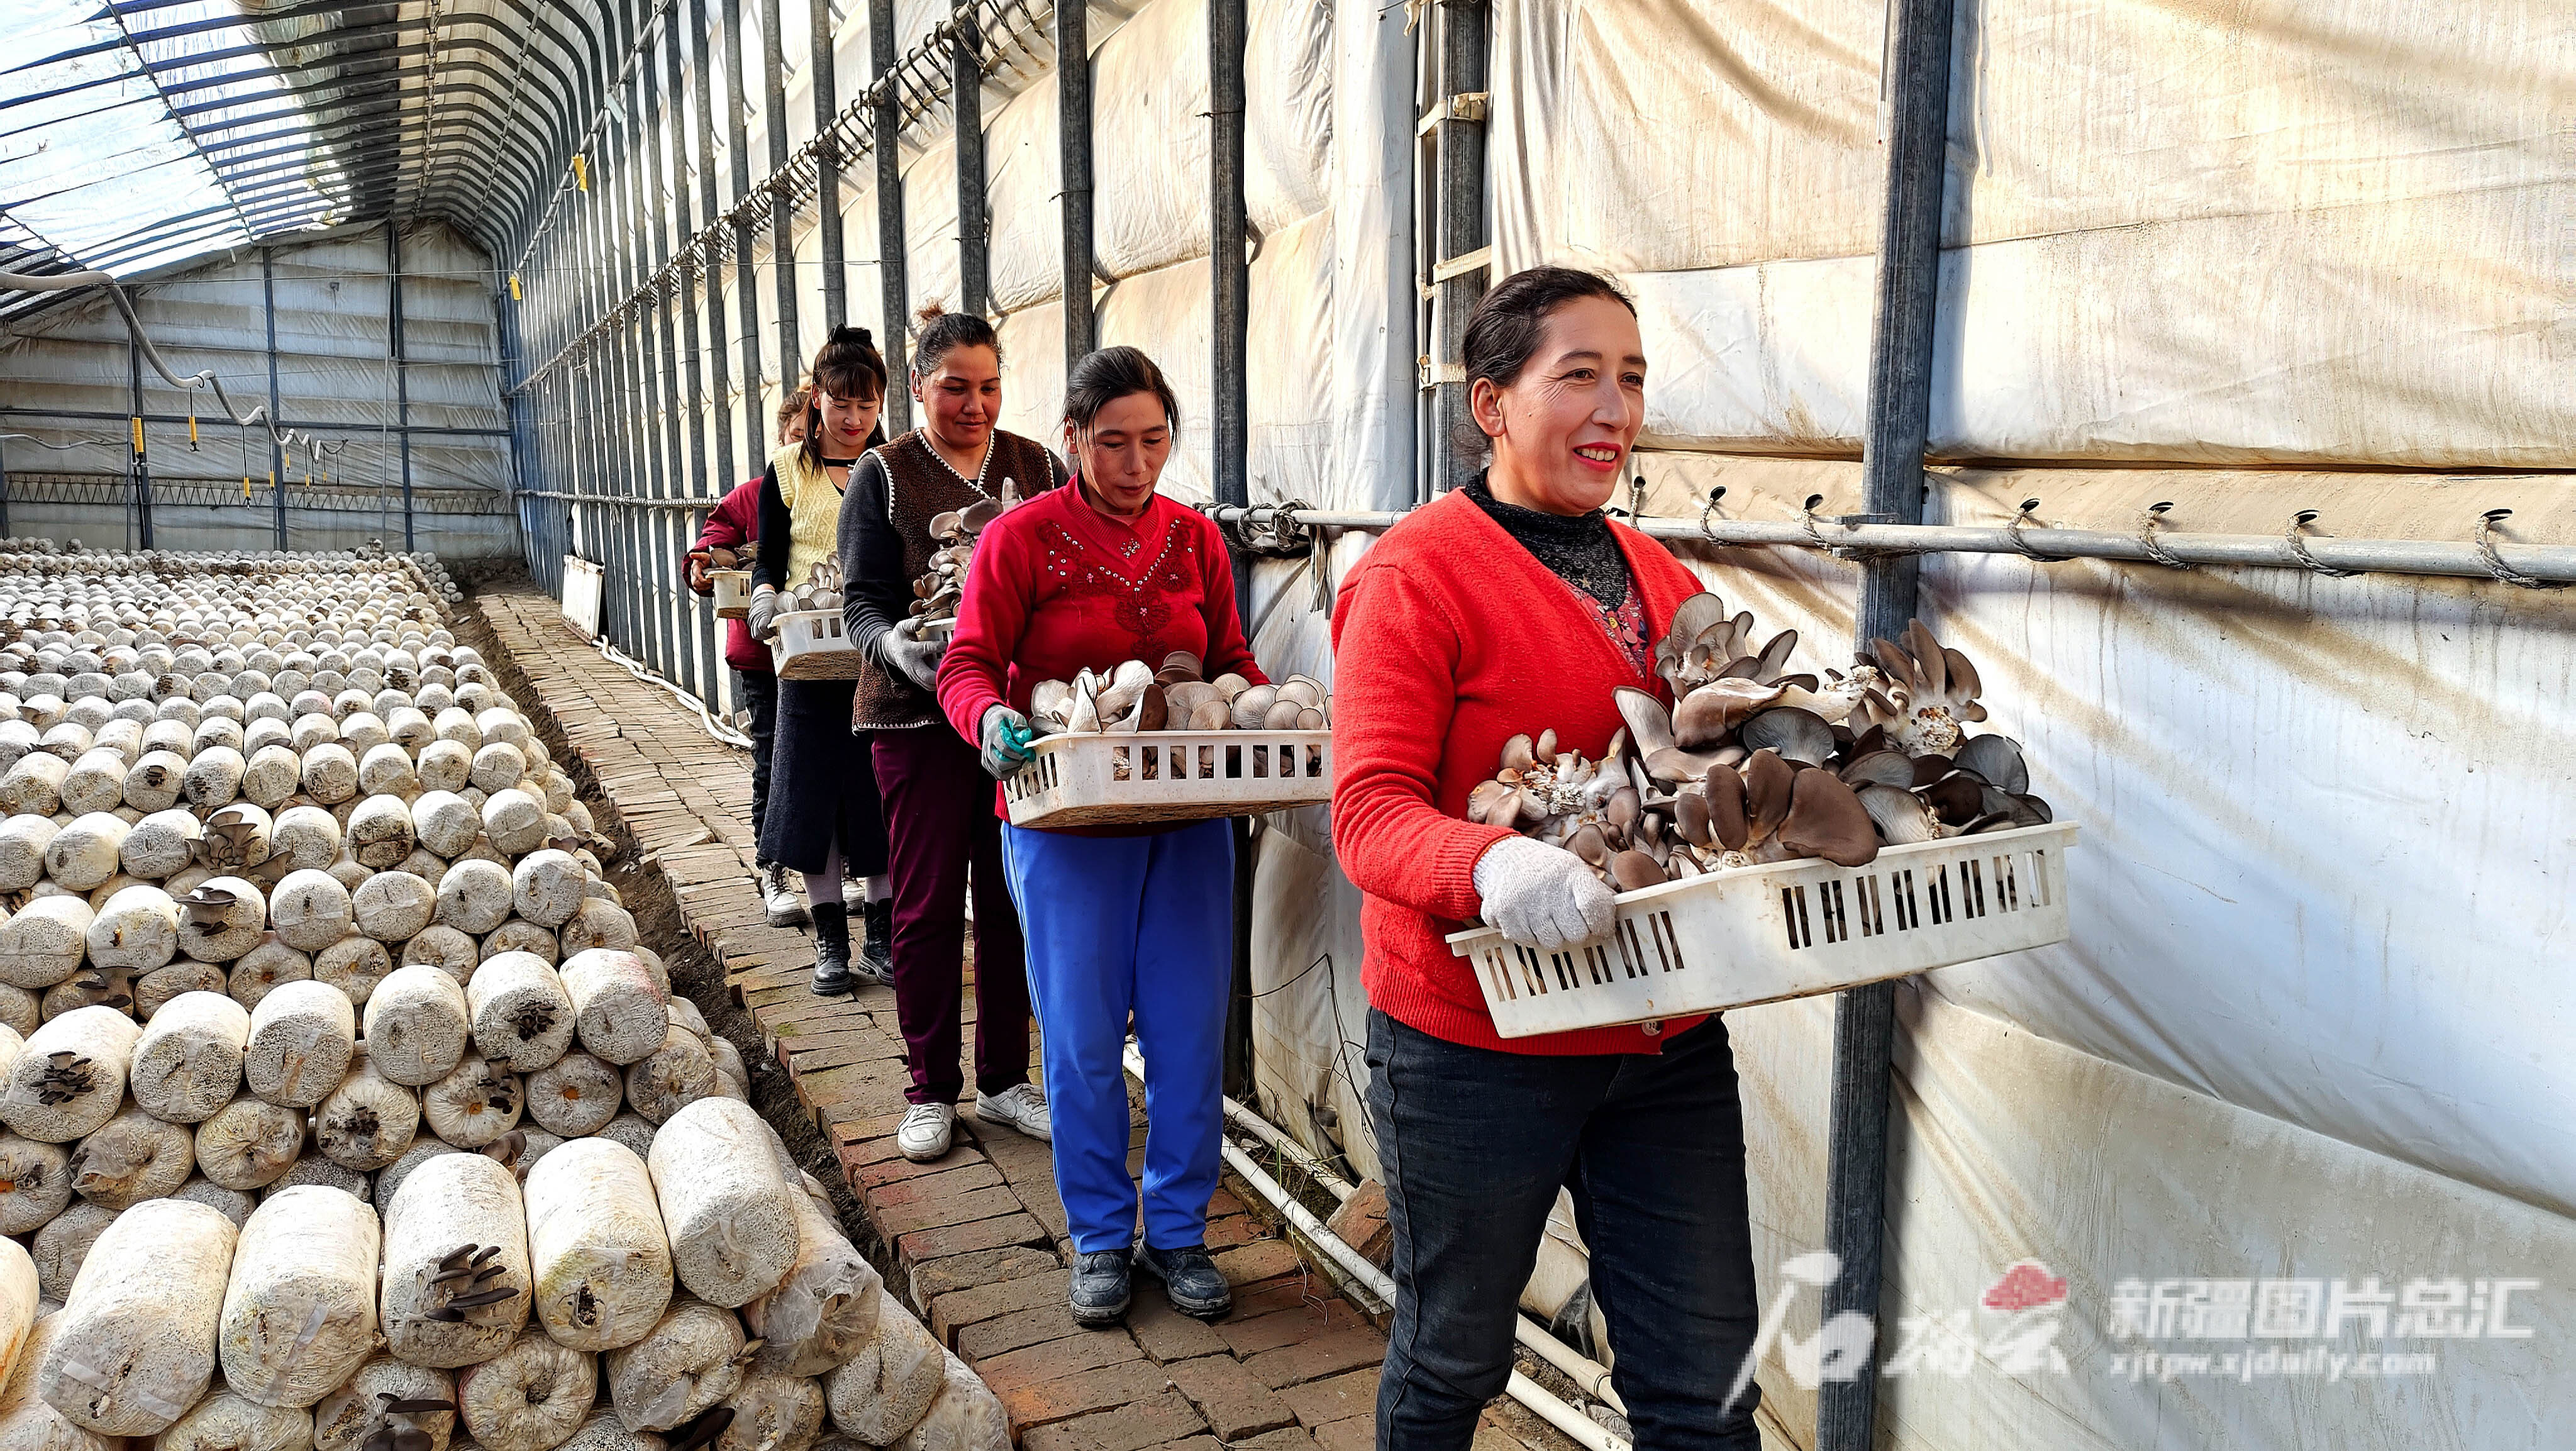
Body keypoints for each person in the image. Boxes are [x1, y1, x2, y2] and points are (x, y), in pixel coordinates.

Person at [1329, 267, 1765, 1451]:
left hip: (1660, 1036)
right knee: (1453, 1359)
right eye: (1577, 375)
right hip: (1477, 1046)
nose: (1614, 409)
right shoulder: (1413, 574)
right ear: (1492, 403)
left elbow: (1705, 775)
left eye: (1630, 378)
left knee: (1703, 1387)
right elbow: (1368, 811)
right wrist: (1493, 867)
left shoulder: (1662, 580)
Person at [936, 346, 1264, 1327]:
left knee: (1187, 1031)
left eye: (1154, 440)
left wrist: (1248, 706)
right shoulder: (1023, 538)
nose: (1136, 462)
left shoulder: (1196, 541)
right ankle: (1096, 1235)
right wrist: (988, 719)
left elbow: (1231, 658)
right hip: (1063, 815)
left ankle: (1178, 1231)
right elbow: (967, 664)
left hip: (1186, 817)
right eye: (1113, 441)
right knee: (1080, 1039)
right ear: (1072, 437)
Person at [839, 305, 1067, 1163]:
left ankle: (1006, 1080)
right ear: (920, 385)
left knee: (1013, 897)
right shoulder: (885, 475)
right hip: (916, 714)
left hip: (1013, 717)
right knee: (930, 905)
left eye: (990, 387)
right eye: (955, 388)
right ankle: (930, 1087)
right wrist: (892, 641)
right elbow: (863, 599)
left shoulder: (1038, 466)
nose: (975, 405)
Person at [746, 326, 896, 996]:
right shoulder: (787, 470)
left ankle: (883, 938)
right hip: (807, 657)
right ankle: (830, 939)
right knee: (811, 799)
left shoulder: (892, 466)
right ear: (816, 400)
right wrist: (765, 598)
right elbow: (769, 559)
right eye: (841, 404)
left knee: (878, 796)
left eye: (866, 406)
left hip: (875, 657)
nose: (853, 419)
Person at [689, 386, 811, 928]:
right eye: (796, 436)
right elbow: (711, 544)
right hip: (763, 656)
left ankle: (843, 863)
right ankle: (773, 867)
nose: (806, 444)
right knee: (772, 757)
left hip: (827, 654)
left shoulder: (846, 489)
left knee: (833, 760)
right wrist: (702, 564)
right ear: (782, 440)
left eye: (815, 436)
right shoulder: (752, 496)